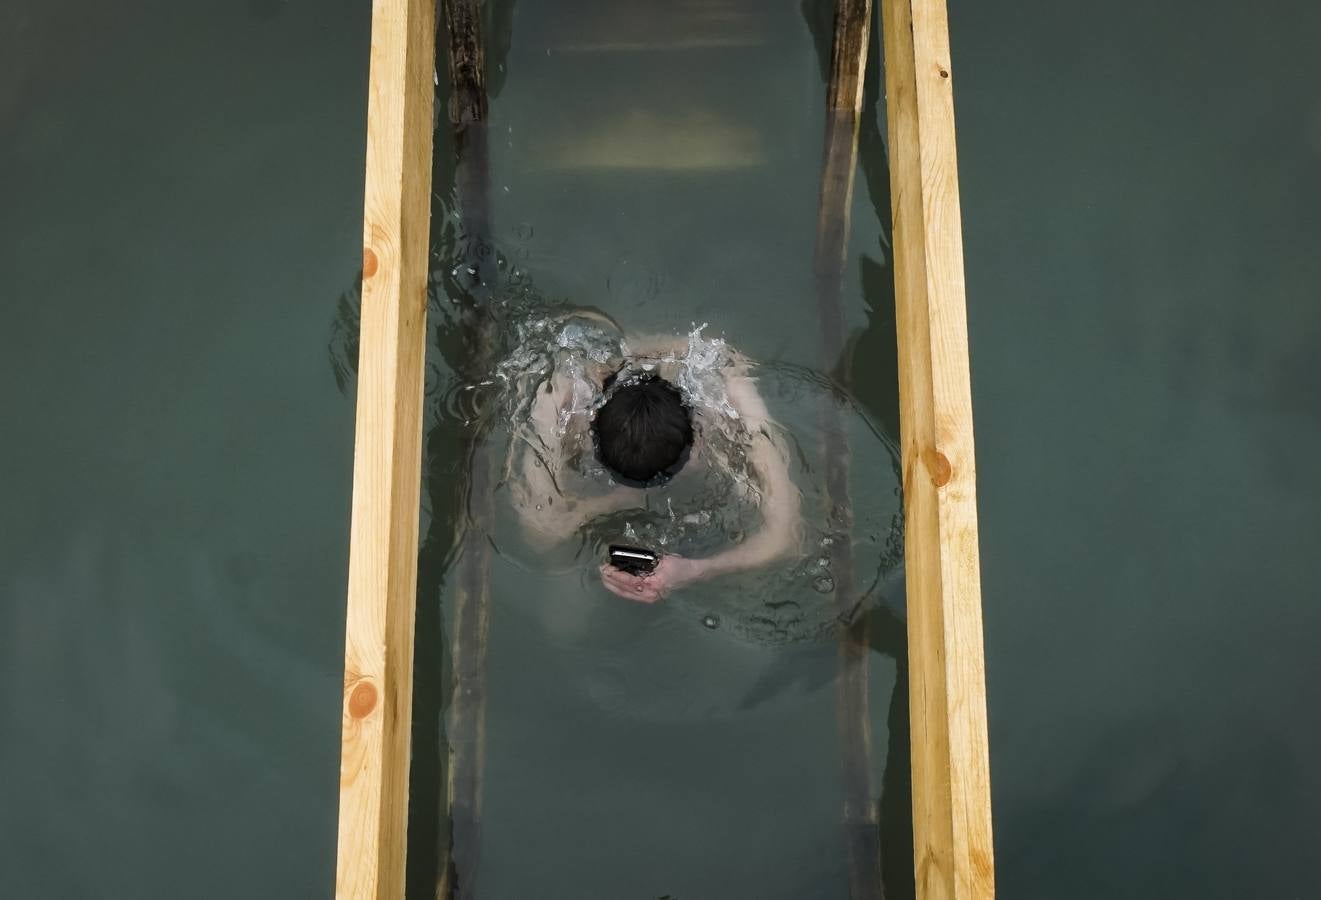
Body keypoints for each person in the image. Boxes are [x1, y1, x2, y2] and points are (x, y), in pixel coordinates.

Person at [510, 312, 802, 603]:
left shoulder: (726, 396)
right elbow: (539, 533)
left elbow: (785, 534)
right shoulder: (560, 399)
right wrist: (617, 501)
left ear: (696, 430)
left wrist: (694, 570)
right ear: (590, 430)